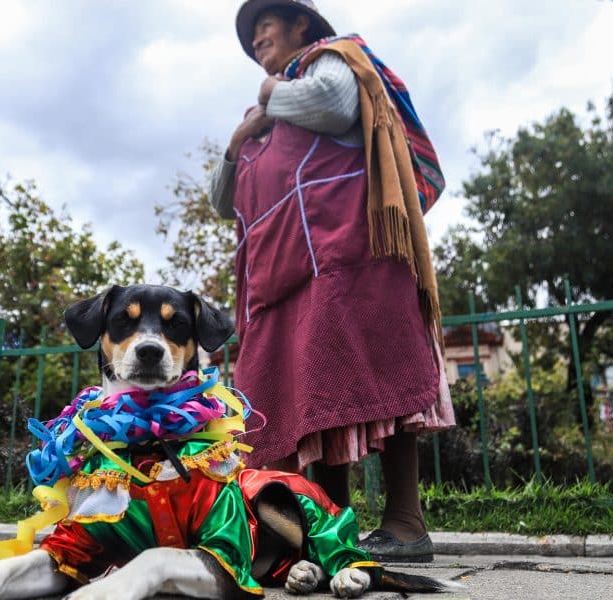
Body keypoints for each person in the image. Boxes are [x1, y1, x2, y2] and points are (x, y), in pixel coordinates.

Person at [209, 0, 456, 563]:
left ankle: (405, 523)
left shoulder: (330, 62)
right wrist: (237, 139)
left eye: (264, 26)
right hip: (282, 275)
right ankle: (329, 528)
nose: (255, 41)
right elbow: (223, 202)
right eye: (249, 36)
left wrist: (270, 102)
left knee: (380, 379)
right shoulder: (261, 119)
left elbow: (333, 105)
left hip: (349, 256)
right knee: (311, 399)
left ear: (302, 25)